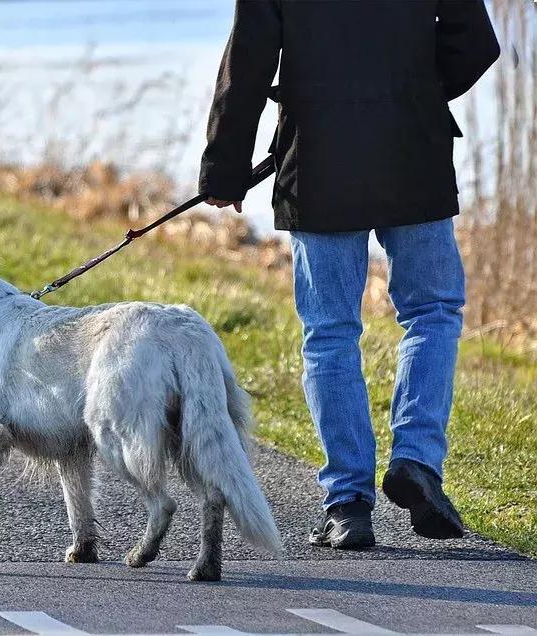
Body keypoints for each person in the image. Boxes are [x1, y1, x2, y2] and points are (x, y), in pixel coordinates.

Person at [199, 0, 499, 549]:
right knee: (432, 311)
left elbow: (248, 61)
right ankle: (417, 461)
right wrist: (416, 93)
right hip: (415, 151)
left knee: (331, 331)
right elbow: (476, 45)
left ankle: (348, 504)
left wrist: (224, 166)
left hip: (319, 162)